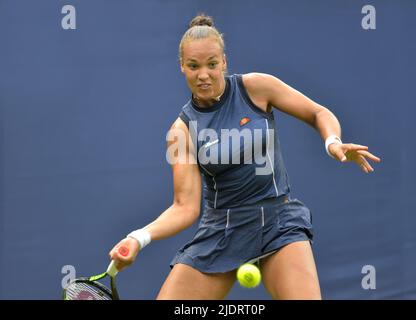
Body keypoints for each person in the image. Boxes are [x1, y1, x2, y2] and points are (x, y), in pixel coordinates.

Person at [109, 14, 381, 300]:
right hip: (221, 231)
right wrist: (137, 238)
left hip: (279, 222)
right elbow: (184, 207)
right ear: (182, 67)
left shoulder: (256, 88)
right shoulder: (180, 132)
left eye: (212, 64)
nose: (204, 74)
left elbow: (318, 113)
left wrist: (332, 142)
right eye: (194, 66)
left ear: (224, 61)